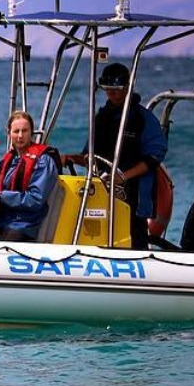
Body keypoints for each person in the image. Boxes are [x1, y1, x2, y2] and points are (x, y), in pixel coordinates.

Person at [62, 63, 168, 249]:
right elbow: (89, 157)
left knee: (135, 236)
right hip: (102, 190)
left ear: (127, 88)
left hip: (133, 193)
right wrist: (69, 158)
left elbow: (153, 158)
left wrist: (122, 177)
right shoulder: (101, 118)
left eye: (117, 89)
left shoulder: (143, 119)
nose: (112, 93)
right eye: (108, 89)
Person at [0, 111, 60, 241]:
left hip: (25, 225)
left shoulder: (43, 161)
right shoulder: (9, 159)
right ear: (9, 134)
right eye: (16, 131)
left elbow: (35, 199)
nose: (20, 136)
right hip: (3, 219)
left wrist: (1, 197)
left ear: (31, 133)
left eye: (24, 131)